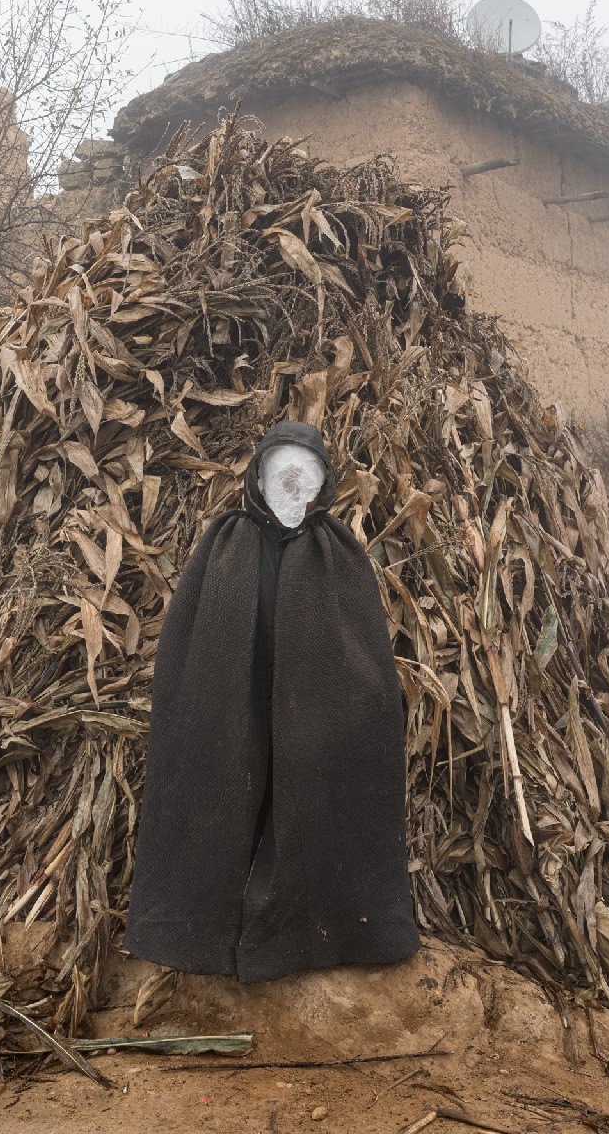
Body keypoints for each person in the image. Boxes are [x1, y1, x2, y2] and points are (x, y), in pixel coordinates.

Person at [126, 421, 419, 982]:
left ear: (323, 486)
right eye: (280, 470)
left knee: (315, 801)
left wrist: (349, 713)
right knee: (217, 795)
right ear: (258, 479)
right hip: (230, 701)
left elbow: (362, 657)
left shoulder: (338, 552)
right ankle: (194, 932)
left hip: (313, 714)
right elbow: (191, 640)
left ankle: (332, 932)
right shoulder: (225, 542)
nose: (291, 481)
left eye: (305, 473)